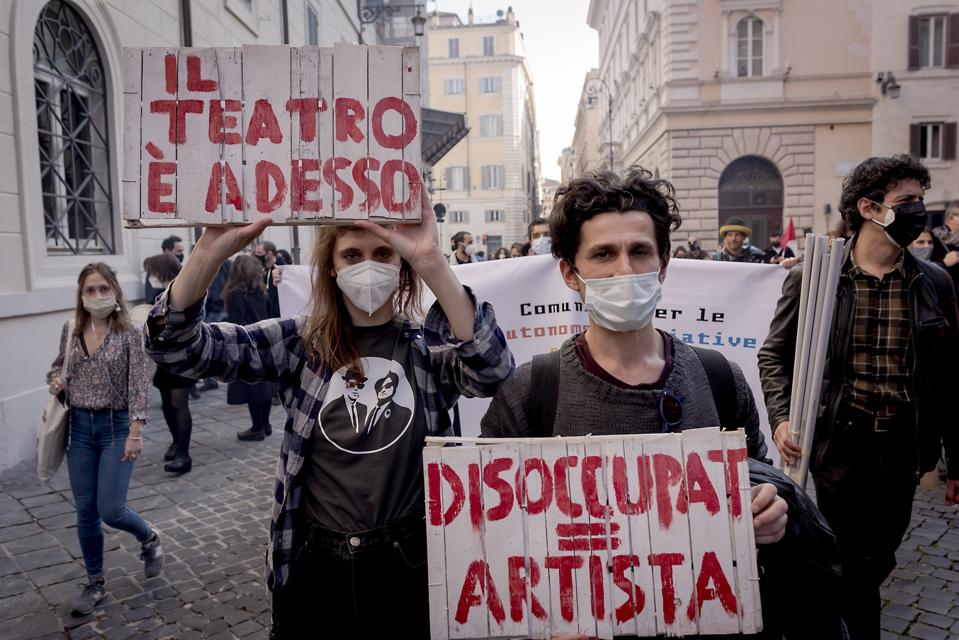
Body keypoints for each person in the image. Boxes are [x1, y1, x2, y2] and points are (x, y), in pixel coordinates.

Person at [144, 194, 513, 638]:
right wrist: (206, 254)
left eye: (383, 254)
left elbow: (492, 370)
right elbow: (175, 347)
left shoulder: (428, 350)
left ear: (401, 265)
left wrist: (433, 262)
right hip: (313, 556)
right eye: (352, 255)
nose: (368, 266)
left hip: (410, 556)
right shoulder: (299, 342)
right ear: (333, 267)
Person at [480, 166, 787, 549]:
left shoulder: (720, 379)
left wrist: (767, 511)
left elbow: (758, 477)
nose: (625, 270)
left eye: (639, 251)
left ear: (663, 265)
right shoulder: (530, 393)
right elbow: (489, 521)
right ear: (570, 274)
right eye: (604, 254)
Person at [758, 154, 959, 639]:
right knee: (844, 559)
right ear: (870, 208)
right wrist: (783, 418)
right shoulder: (817, 277)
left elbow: (951, 377)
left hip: (902, 450)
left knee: (879, 557)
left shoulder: (933, 282)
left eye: (920, 200)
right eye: (906, 201)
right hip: (839, 445)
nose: (919, 211)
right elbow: (773, 355)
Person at [47, 263, 163, 617]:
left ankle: (149, 538)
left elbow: (139, 386)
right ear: (81, 296)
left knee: (110, 509)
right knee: (85, 512)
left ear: (114, 291)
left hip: (116, 428)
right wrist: (56, 381)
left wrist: (135, 432)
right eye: (90, 290)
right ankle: (94, 582)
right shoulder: (72, 330)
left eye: (103, 289)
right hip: (79, 428)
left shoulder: (130, 333)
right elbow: (56, 368)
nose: (97, 296)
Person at [144, 254, 197, 475]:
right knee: (167, 403)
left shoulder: (182, 288)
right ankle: (176, 442)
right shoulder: (160, 292)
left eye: (152, 271)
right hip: (164, 359)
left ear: (161, 270)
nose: (150, 276)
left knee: (179, 403)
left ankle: (184, 454)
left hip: (182, 357)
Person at [222, 255, 278, 441]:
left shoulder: (235, 293)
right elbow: (270, 315)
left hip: (247, 345)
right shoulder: (262, 291)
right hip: (265, 343)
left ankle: (257, 428)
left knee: (253, 389)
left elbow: (236, 323)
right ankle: (266, 424)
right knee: (265, 387)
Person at [932, 200, 959, 295]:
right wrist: (944, 263)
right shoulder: (933, 237)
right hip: (944, 291)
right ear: (951, 218)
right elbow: (925, 264)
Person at [255, 240, 281, 318]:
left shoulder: (281, 268)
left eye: (259, 253)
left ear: (269, 254)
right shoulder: (261, 269)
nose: (257, 255)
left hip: (277, 312)